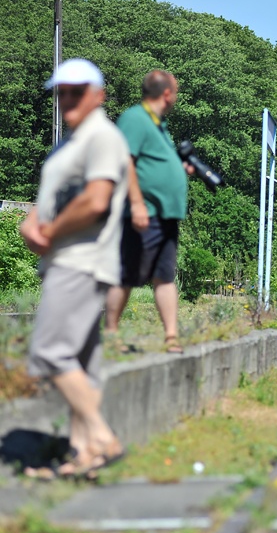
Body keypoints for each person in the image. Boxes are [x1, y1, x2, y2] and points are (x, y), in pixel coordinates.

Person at [19, 59, 129, 478]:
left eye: (76, 92)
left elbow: (96, 200)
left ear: (99, 95)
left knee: (48, 351)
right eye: (61, 92)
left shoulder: (102, 137)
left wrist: (47, 230)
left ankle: (102, 436)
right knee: (82, 367)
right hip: (67, 259)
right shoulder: (71, 142)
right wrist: (31, 221)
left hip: (82, 261)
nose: (67, 100)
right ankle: (84, 454)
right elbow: (54, 196)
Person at [105, 70, 192, 354]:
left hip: (166, 214)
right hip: (145, 212)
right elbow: (125, 160)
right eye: (176, 92)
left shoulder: (159, 125)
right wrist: (137, 203)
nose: (176, 97)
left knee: (165, 275)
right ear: (166, 93)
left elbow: (153, 163)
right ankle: (111, 334)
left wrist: (177, 171)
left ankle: (171, 337)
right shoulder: (135, 119)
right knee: (128, 273)